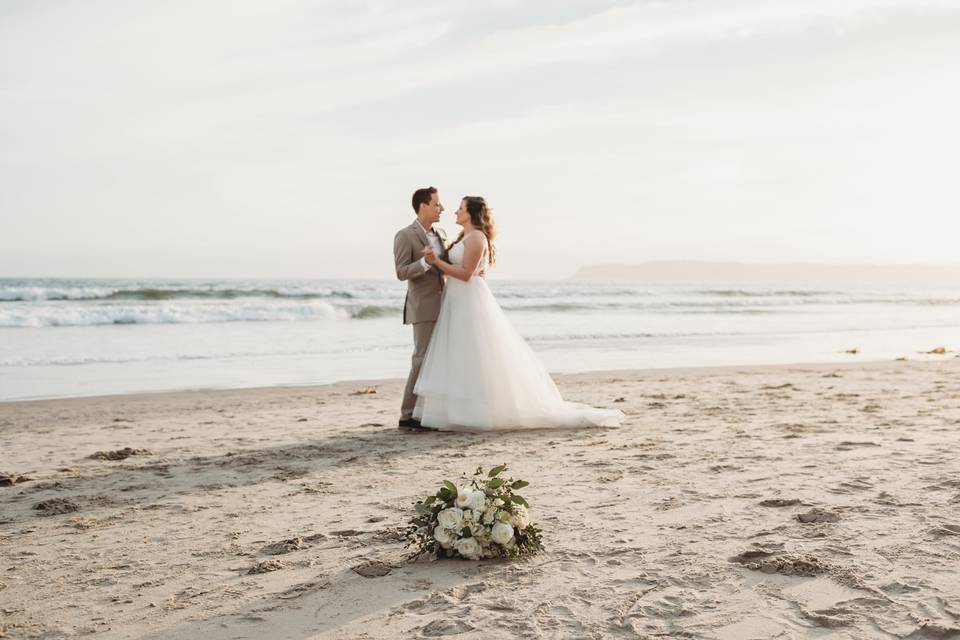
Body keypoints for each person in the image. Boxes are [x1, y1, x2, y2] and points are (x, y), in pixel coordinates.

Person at [414, 196, 623, 431]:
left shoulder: (477, 238)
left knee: (473, 353)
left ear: (471, 213)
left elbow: (466, 274)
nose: (455, 212)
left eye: (460, 208)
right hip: (457, 300)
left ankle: (476, 412)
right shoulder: (464, 237)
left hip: (469, 300)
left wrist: (436, 262)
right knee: (460, 354)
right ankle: (456, 412)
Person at [393, 186, 447, 432]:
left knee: (441, 360)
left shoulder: (442, 234)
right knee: (421, 359)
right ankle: (407, 415)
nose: (441, 208)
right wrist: (425, 261)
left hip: (447, 306)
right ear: (423, 205)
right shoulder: (405, 235)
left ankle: (429, 412)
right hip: (423, 307)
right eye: (437, 204)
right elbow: (402, 272)